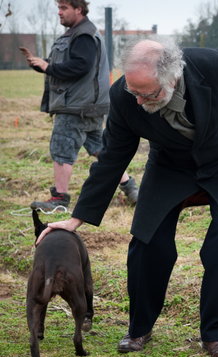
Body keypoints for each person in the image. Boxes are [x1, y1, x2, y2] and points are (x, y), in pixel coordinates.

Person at [35, 38, 218, 357]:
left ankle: (215, 333)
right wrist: (76, 218)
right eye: (135, 92)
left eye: (148, 94)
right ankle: (139, 328)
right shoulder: (124, 96)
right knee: (147, 241)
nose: (138, 101)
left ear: (172, 77)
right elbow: (112, 159)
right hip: (170, 165)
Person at [20, 0, 138, 211]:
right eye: (58, 8)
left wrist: (48, 66)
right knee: (102, 150)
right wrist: (42, 65)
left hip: (75, 106)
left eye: (64, 8)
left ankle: (59, 200)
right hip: (88, 105)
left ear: (79, 9)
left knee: (62, 149)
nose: (59, 12)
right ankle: (130, 188)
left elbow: (80, 66)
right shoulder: (78, 33)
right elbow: (66, 66)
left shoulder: (83, 35)